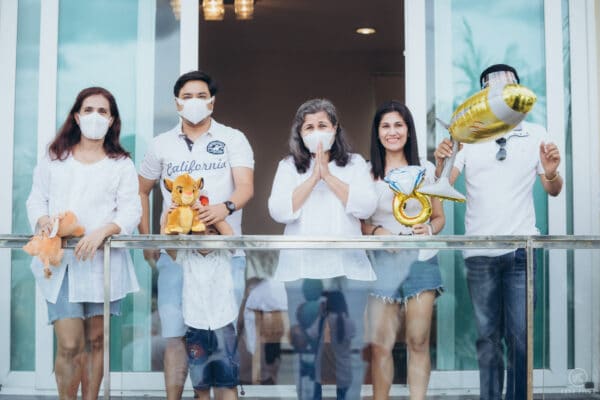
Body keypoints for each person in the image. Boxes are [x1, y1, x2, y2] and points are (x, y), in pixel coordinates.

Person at [434, 64, 563, 400]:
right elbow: (443, 185)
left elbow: (554, 189)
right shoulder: (469, 135)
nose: (503, 91)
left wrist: (550, 172)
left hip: (522, 251)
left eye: (510, 85)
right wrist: (441, 161)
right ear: (483, 96)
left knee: (520, 338)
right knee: (487, 340)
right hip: (479, 254)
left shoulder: (535, 133)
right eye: (494, 87)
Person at [138, 70, 254, 400]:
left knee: (221, 332)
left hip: (224, 252)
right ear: (176, 102)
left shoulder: (233, 138)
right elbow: (141, 189)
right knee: (175, 335)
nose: (194, 102)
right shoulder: (161, 144)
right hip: (176, 255)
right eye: (187, 96)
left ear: (212, 102)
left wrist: (225, 208)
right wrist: (149, 240)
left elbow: (246, 186)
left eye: (201, 96)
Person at [26, 87, 141, 400]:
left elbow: (132, 209)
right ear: (76, 116)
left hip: (103, 262)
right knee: (70, 343)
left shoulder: (121, 164)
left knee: (96, 340)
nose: (95, 116)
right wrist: (42, 221)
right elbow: (37, 199)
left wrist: (104, 229)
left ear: (112, 119)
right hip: (61, 261)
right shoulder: (55, 158)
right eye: (88, 109)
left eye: (102, 111)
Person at [268, 98, 377, 399]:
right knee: (306, 353)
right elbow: (279, 210)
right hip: (302, 273)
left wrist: (328, 176)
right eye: (309, 127)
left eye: (322, 125)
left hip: (349, 272)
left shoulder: (354, 164)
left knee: (348, 351)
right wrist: (313, 176)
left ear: (335, 128)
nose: (316, 132)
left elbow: (366, 205)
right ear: (300, 133)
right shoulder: (288, 167)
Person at [361, 100, 445, 400]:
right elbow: (359, 223)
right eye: (386, 126)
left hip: (421, 260)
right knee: (381, 343)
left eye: (399, 125)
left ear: (408, 130)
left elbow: (439, 217)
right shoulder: (367, 172)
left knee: (418, 340)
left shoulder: (425, 169)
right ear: (378, 132)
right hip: (382, 261)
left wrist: (430, 229)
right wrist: (378, 231)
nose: (392, 131)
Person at [162, 218, 239, 400]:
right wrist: (177, 213)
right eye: (200, 231)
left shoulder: (224, 253)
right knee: (201, 385)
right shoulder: (186, 254)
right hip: (196, 329)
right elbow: (169, 243)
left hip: (224, 326)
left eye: (211, 232)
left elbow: (230, 236)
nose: (205, 237)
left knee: (227, 382)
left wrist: (209, 213)